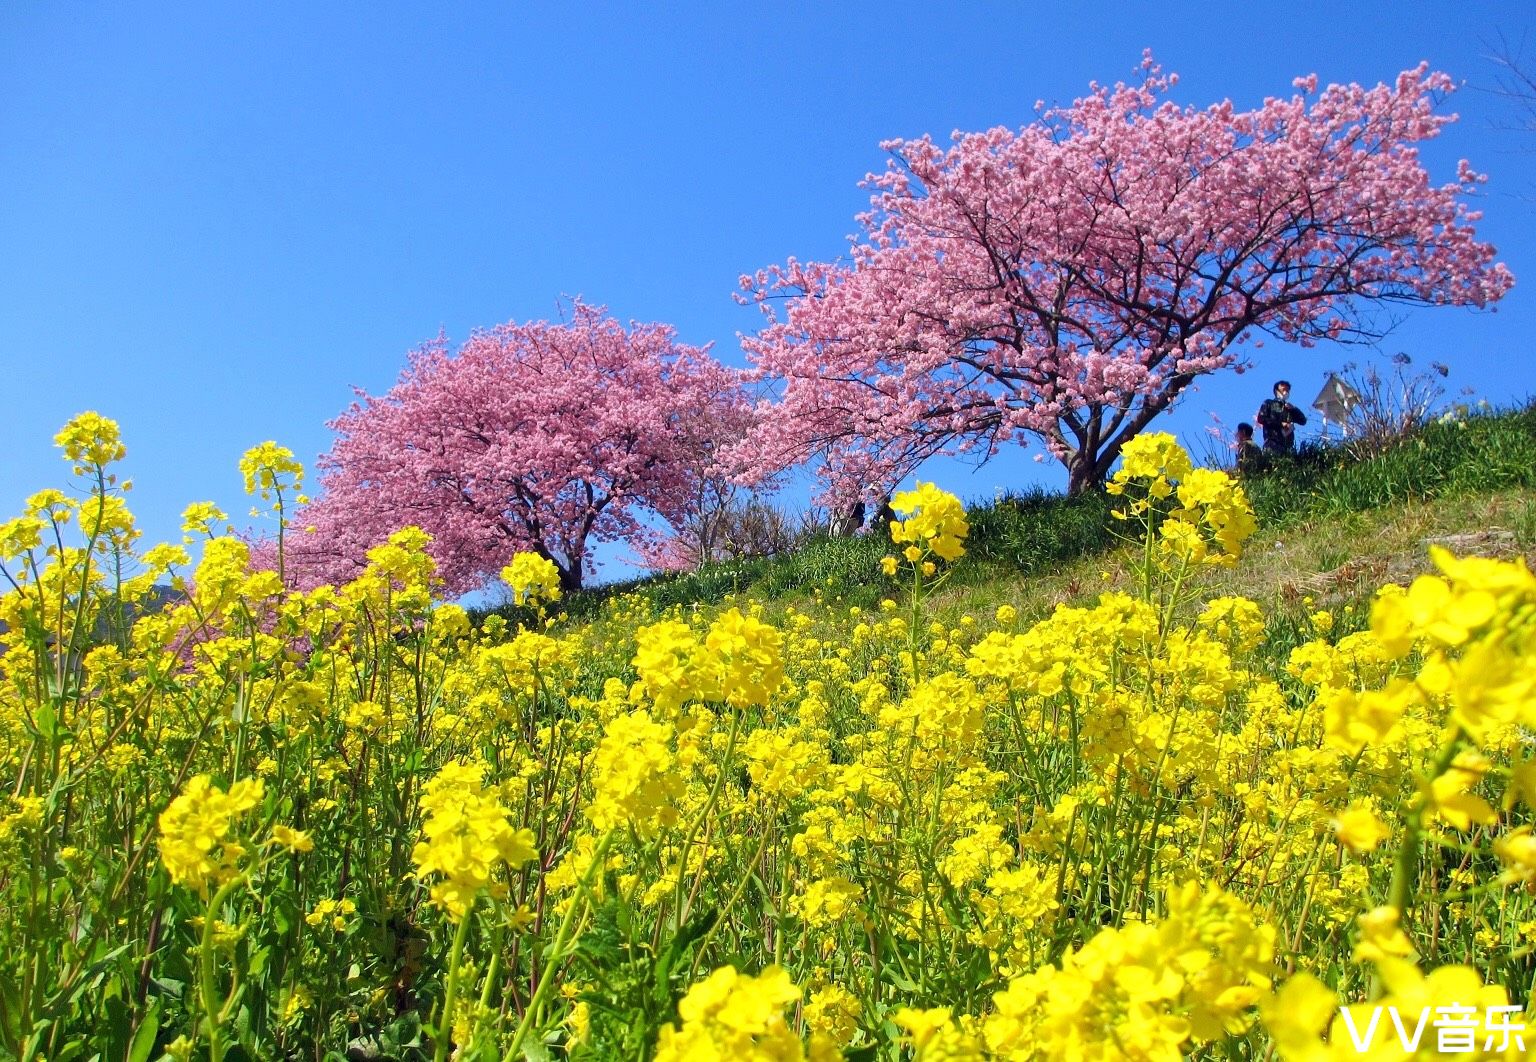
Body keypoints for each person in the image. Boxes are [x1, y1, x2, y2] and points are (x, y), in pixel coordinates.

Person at [1255, 380, 1308, 453]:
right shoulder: (1269, 403)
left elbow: (1303, 421)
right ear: (1276, 391)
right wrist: (1281, 424)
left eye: (1287, 390)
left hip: (1288, 445)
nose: (1285, 392)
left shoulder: (1289, 408)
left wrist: (1294, 409)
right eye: (1283, 389)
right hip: (1272, 443)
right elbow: (1261, 418)